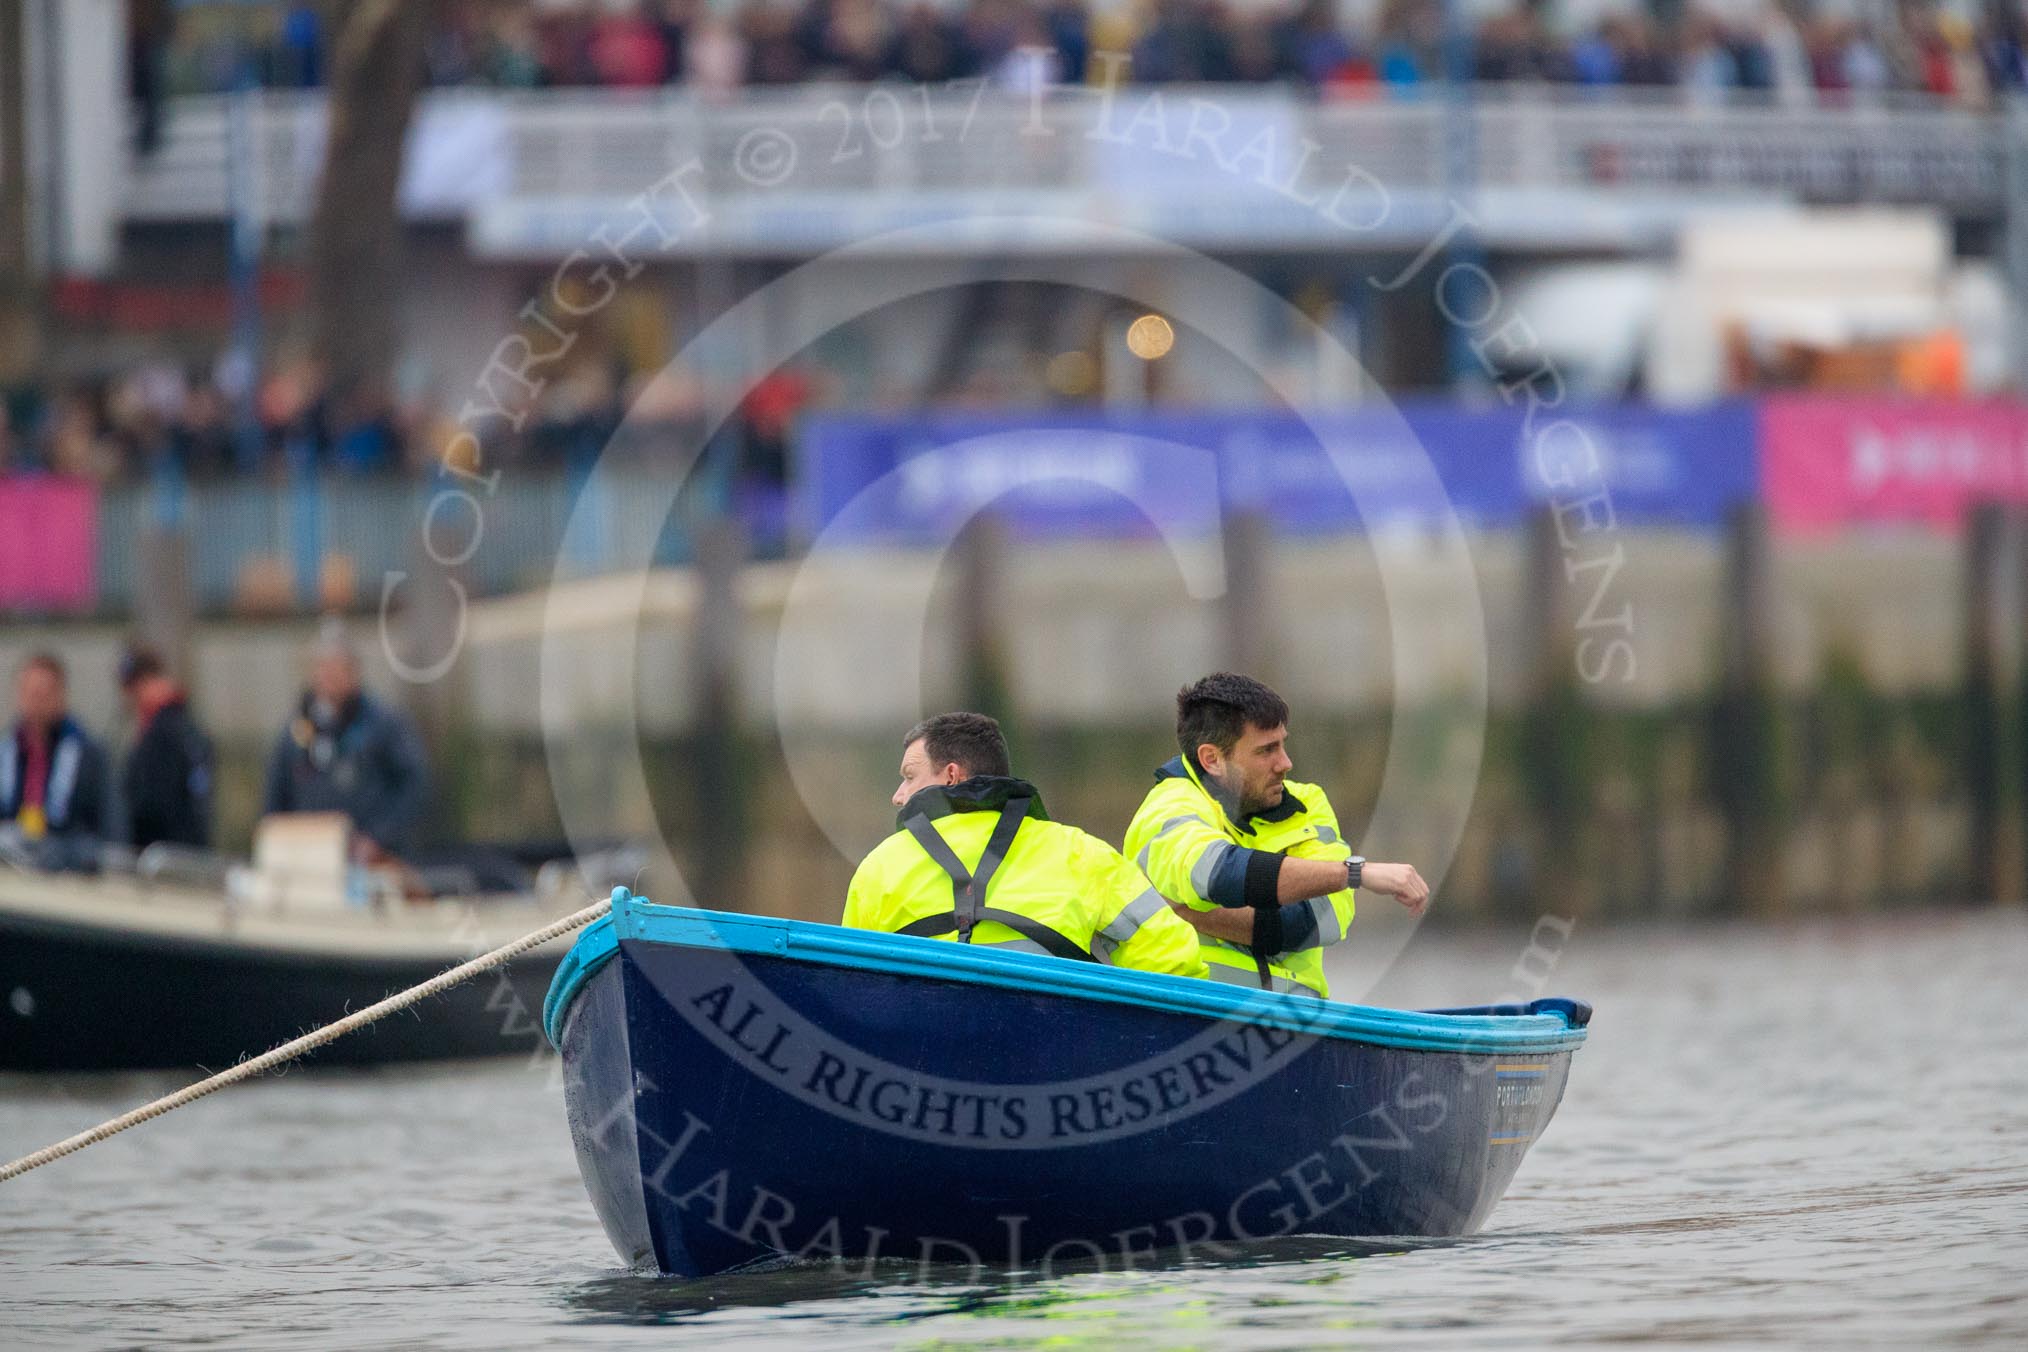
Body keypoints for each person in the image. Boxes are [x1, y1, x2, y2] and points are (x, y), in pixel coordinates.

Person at [1123, 673, 1429, 998]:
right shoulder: (1167, 810)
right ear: (1211, 759)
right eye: (1266, 750)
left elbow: (1321, 923)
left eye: (1283, 744)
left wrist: (1198, 914)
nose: (1285, 763)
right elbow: (1222, 874)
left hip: (1295, 1026)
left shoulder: (1308, 802)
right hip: (1192, 1017)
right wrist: (1354, 873)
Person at [843, 712, 1207, 978]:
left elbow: (850, 985)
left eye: (909, 777)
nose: (898, 796)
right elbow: (1174, 960)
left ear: (951, 776)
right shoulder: (1081, 854)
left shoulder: (881, 866)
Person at [262, 619, 429, 862]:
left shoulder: (383, 724)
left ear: (353, 672)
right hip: (312, 855)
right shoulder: (295, 731)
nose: (329, 676)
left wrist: (379, 837)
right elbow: (275, 797)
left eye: (337, 667)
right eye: (322, 667)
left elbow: (414, 784)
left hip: (370, 855)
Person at [1, 653, 115, 868]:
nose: (36, 702)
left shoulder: (89, 755)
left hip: (67, 870)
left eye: (43, 694)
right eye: (30, 693)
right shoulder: (7, 752)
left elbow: (109, 825)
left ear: (60, 695)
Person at [116, 643, 213, 851]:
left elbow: (153, 805)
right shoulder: (186, 725)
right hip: (186, 853)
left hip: (165, 857)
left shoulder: (162, 734)